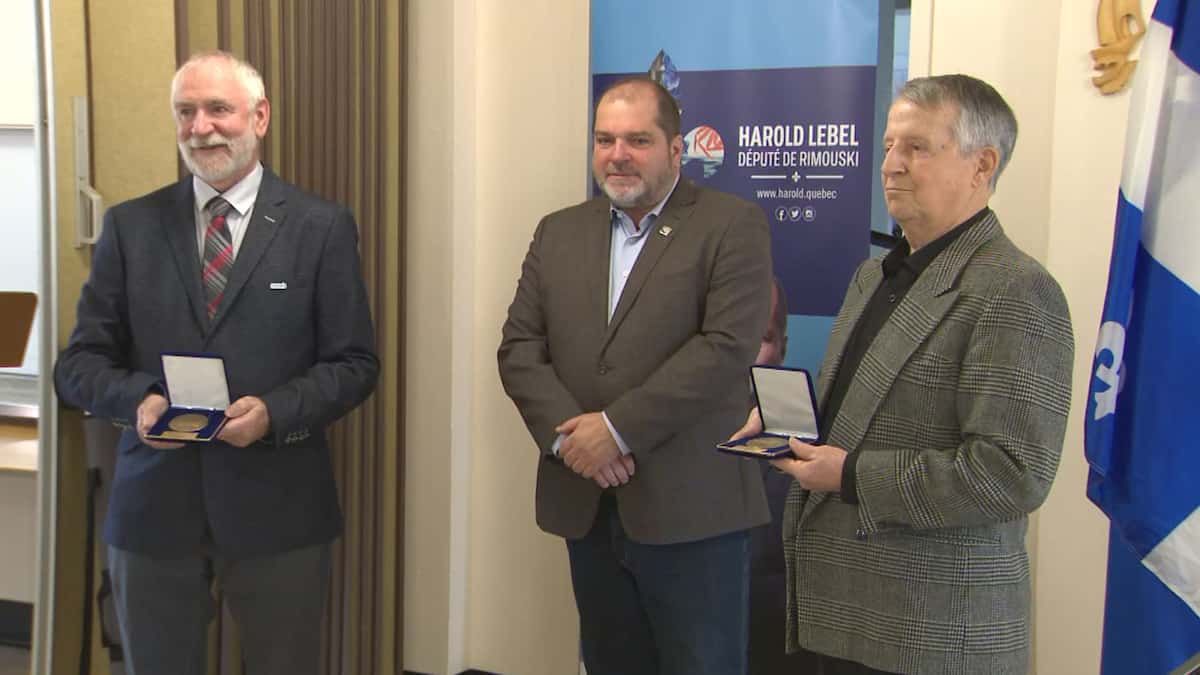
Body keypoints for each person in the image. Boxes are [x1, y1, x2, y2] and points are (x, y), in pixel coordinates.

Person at [735, 74, 1074, 674]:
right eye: (889, 145)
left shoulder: (1016, 290)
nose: (891, 164)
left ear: (982, 165)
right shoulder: (873, 277)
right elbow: (866, 414)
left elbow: (1011, 473)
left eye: (917, 147)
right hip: (839, 615)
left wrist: (851, 475)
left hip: (932, 634)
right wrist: (789, 422)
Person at [54, 51, 379, 675]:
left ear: (260, 117)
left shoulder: (321, 226)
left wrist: (274, 412)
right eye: (186, 112)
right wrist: (138, 401)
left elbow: (354, 363)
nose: (200, 127)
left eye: (218, 109)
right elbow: (78, 364)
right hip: (153, 507)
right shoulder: (131, 226)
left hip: (279, 505)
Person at [497, 76, 772, 675]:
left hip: (692, 511)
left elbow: (725, 349)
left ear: (676, 149)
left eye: (637, 140)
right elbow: (519, 348)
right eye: (605, 139)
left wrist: (615, 431)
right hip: (587, 502)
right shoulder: (559, 230)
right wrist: (575, 441)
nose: (617, 154)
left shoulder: (732, 224)